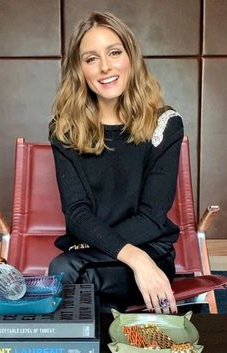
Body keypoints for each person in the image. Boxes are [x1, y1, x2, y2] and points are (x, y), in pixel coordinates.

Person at [48, 11, 184, 314]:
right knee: (68, 269)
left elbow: (151, 218)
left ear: (130, 57)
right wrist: (131, 256)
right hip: (104, 255)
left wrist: (132, 254)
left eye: (114, 52)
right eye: (91, 58)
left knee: (67, 269)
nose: (106, 67)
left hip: (149, 252)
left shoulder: (165, 124)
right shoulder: (65, 129)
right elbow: (77, 214)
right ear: (79, 69)